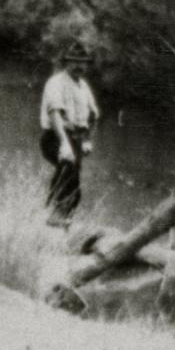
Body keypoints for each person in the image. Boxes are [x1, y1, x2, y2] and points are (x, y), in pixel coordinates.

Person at [38, 41, 99, 226]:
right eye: (74, 61)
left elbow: (94, 115)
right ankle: (54, 217)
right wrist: (64, 143)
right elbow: (54, 112)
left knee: (73, 187)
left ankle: (55, 219)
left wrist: (88, 139)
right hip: (55, 136)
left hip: (77, 139)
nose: (79, 66)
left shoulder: (83, 86)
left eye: (83, 62)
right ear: (66, 62)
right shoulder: (55, 82)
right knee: (69, 171)